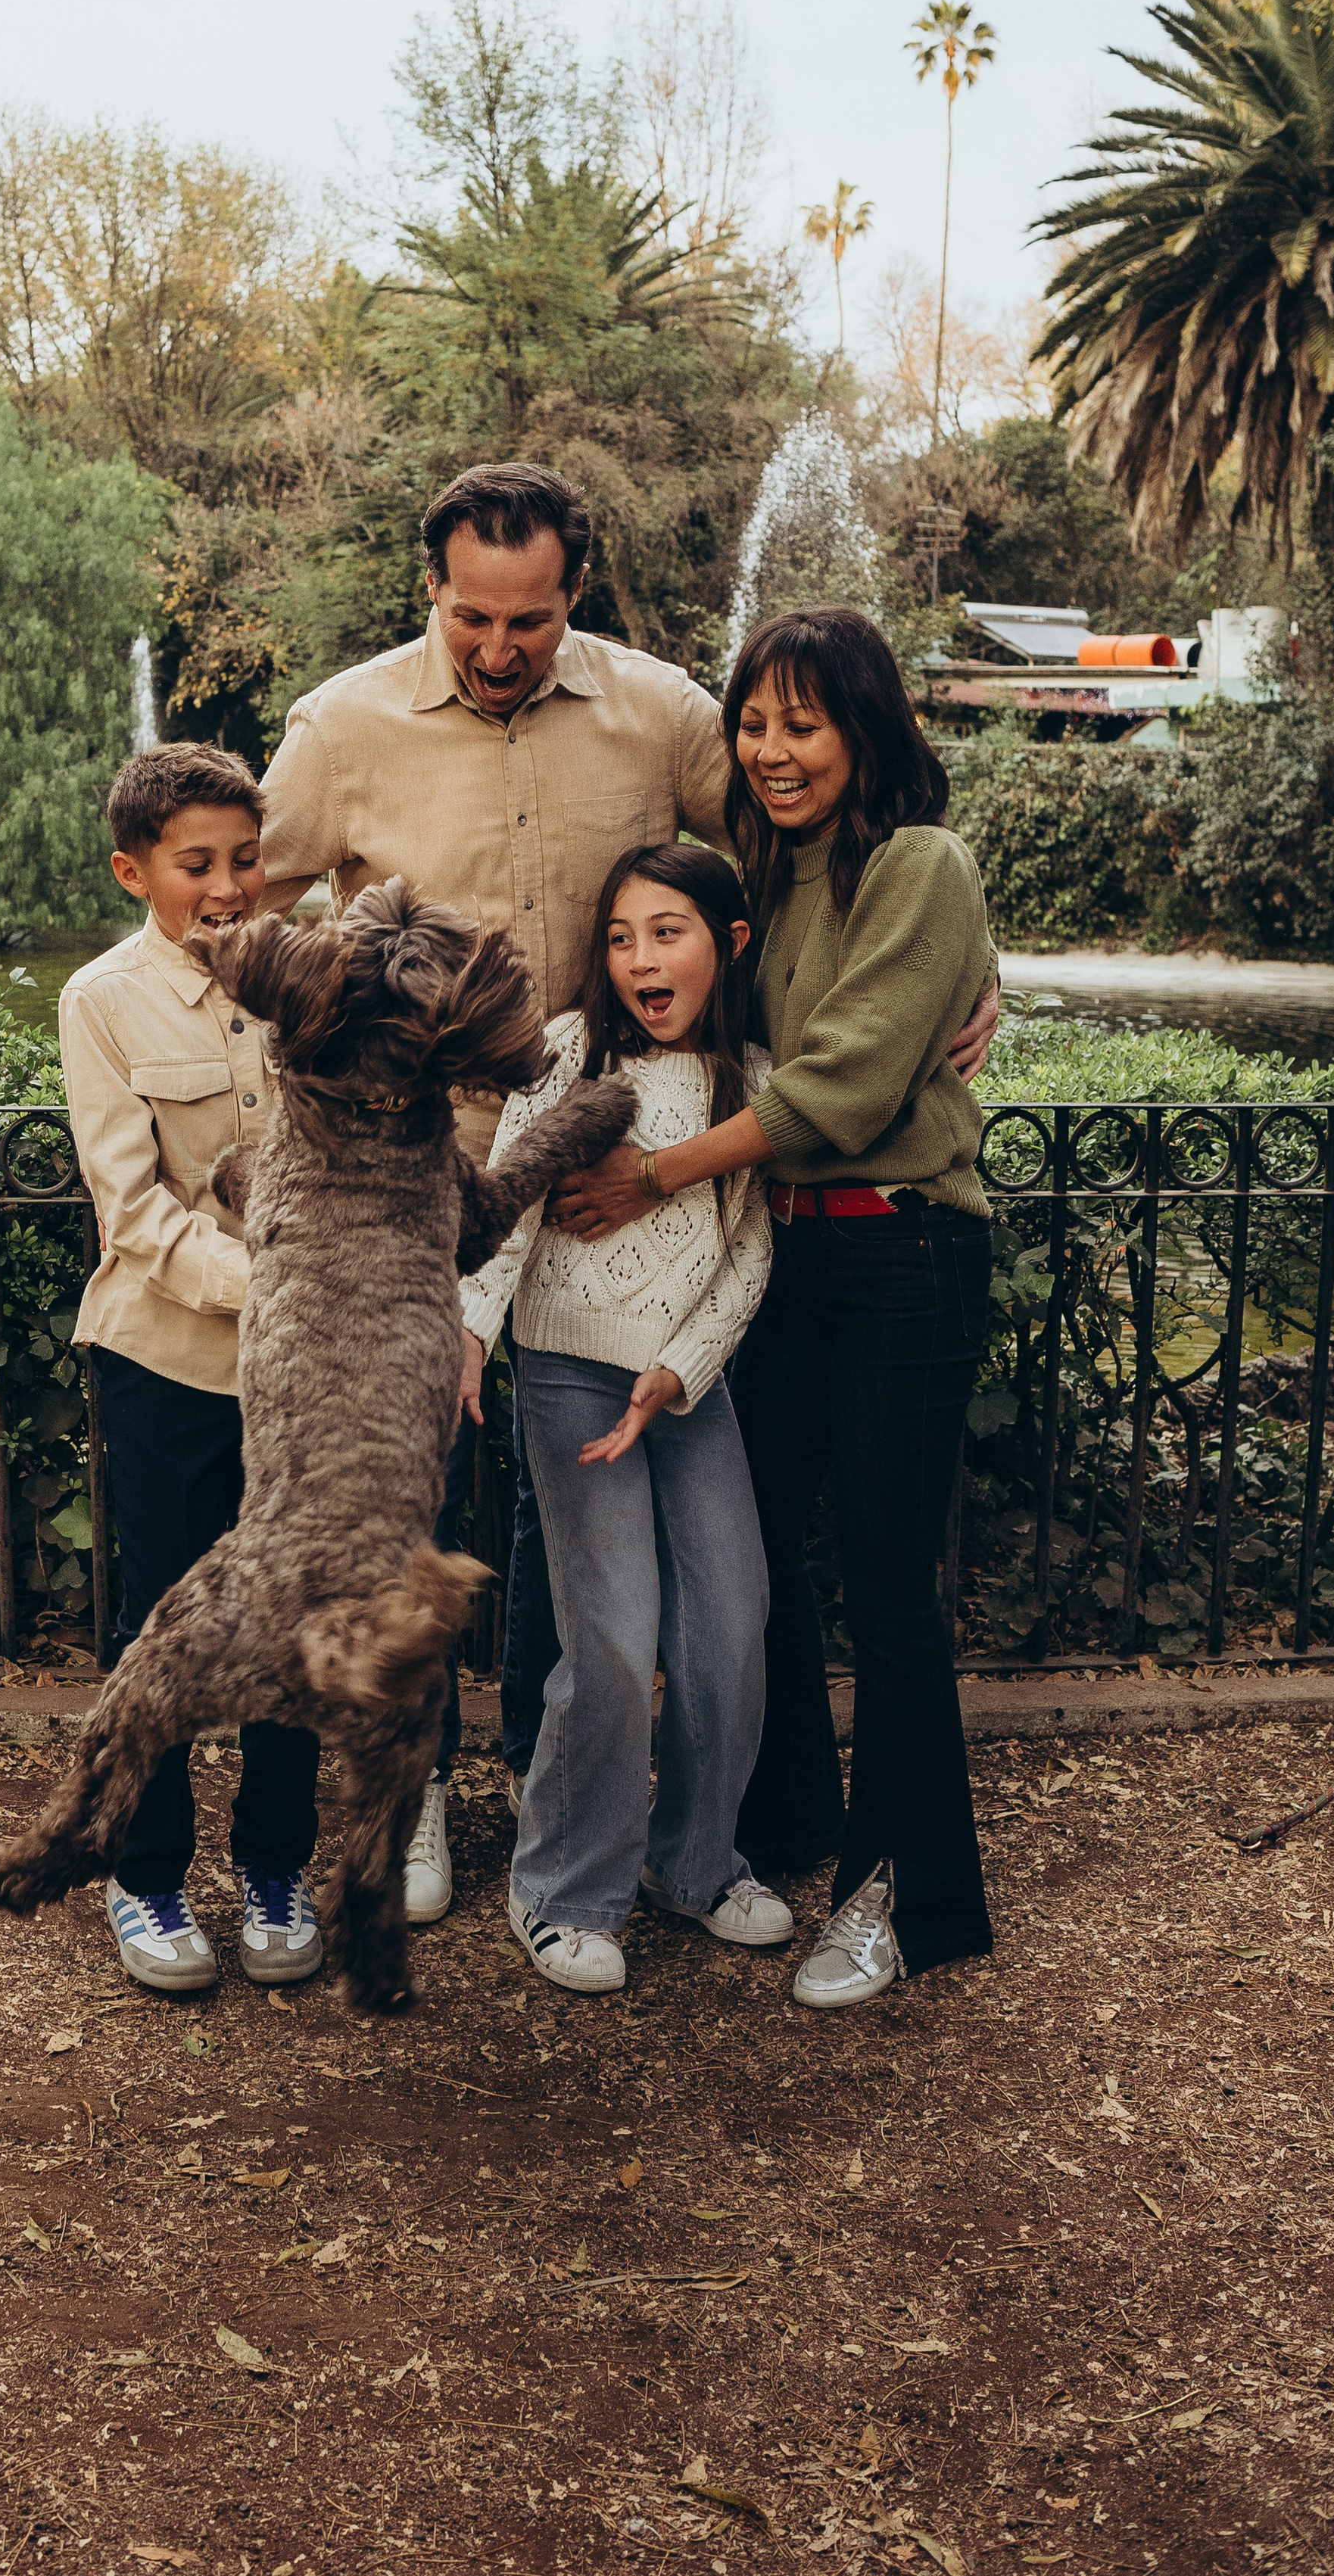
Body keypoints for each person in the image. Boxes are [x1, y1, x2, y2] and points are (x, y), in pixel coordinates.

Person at [257, 461, 998, 1923]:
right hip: (414, 1176)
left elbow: (815, 845)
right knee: (393, 1501)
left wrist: (971, 976)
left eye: (528, 619)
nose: (498, 646)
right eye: (472, 615)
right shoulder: (341, 727)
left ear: (572, 595)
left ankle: (569, 1799)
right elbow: (236, 908)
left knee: (567, 1521)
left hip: (618, 1173)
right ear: (433, 588)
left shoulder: (665, 711)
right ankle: (409, 1798)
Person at [549, 606, 996, 2006]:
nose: (774, 747)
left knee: (889, 1595)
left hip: (902, 1257)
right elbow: (720, 1026)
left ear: (870, 729)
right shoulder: (777, 874)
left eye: (805, 721)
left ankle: (901, 1897)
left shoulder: (919, 863)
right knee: (764, 1574)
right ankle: (790, 1827)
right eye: (756, 720)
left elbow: (844, 1086)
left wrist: (653, 1176)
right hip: (792, 1259)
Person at [458, 845, 781, 1995]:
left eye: (669, 930)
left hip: (688, 1390)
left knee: (733, 1619)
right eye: (622, 936)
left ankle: (692, 1864)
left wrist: (681, 1371)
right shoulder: (566, 1055)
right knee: (612, 1633)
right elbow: (506, 1209)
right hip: (569, 1378)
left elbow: (748, 1254)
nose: (642, 956)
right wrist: (469, 1336)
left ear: (730, 943)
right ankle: (562, 1887)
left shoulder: (753, 1076)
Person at [59, 742, 322, 1995]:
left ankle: (277, 1864)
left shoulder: (304, 977)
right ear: (135, 871)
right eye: (197, 864)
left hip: (302, 1378)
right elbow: (134, 1212)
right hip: (166, 1359)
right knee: (162, 1619)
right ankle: (146, 1873)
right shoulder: (102, 1001)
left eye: (246, 858)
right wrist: (274, 1285)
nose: (229, 886)